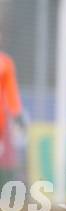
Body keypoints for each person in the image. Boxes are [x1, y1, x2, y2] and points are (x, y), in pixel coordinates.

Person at [0, 33, 25, 186]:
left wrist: (17, 114)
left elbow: (11, 91)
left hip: (1, 121)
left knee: (4, 158)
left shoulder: (5, 63)